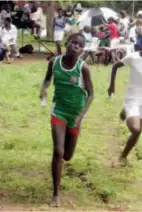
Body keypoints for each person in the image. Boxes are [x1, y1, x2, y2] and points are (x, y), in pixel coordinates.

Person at [39, 33, 94, 207]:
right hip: (59, 111)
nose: (75, 46)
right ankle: (56, 194)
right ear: (66, 43)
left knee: (68, 155)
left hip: (75, 115)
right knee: (58, 152)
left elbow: (91, 94)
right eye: (73, 42)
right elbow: (47, 79)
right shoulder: (54, 62)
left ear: (82, 50)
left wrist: (80, 117)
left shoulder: (83, 68)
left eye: (79, 45)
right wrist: (44, 89)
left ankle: (68, 149)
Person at [108, 31, 142, 165]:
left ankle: (123, 156)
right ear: (141, 42)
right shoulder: (133, 57)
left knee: (138, 132)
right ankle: (127, 111)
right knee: (136, 129)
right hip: (132, 97)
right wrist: (112, 85)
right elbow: (116, 66)